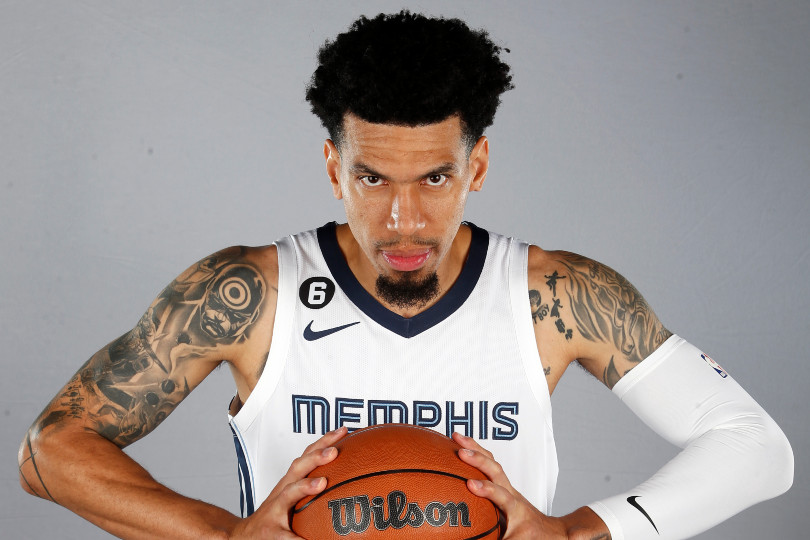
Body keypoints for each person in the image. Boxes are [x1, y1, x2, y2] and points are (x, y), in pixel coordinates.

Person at [18, 11, 793, 539]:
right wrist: (224, 536)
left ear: (476, 166)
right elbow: (50, 449)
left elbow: (757, 448)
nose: (403, 220)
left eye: (433, 179)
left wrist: (585, 533)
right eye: (372, 179)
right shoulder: (251, 294)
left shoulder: (554, 298)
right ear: (334, 167)